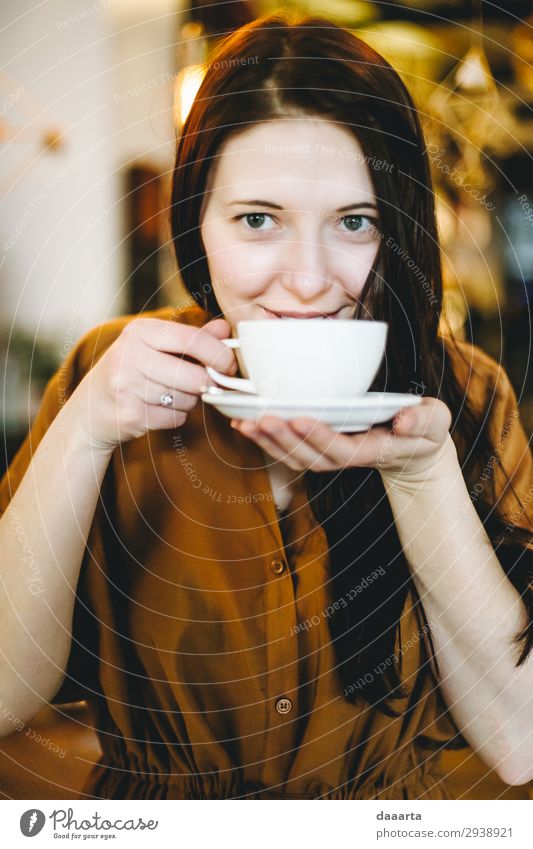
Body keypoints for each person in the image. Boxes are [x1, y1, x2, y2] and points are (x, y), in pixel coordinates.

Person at [1, 12, 532, 801]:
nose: (309, 279)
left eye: (354, 222)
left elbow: (519, 738)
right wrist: (84, 432)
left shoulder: (466, 394)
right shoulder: (104, 376)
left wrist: (423, 478)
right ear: (198, 226)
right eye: (258, 220)